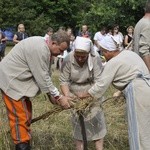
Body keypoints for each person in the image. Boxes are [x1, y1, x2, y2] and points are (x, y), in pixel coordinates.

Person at [76, 35, 150, 150]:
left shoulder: (114, 62)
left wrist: (83, 95)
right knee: (147, 127)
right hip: (147, 88)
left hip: (138, 93)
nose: (104, 55)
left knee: (138, 130)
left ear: (108, 51)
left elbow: (100, 86)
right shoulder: (129, 54)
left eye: (104, 52)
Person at [0, 31, 72, 150]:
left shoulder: (44, 46)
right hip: (11, 82)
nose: (62, 53)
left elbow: (45, 75)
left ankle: (24, 142)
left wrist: (51, 96)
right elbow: (43, 77)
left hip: (18, 83)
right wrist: (59, 97)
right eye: (61, 50)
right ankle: (22, 145)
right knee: (20, 118)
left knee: (26, 114)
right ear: (53, 43)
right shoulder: (39, 49)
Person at [60, 36, 107, 150]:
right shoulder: (68, 59)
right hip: (74, 94)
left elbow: (99, 81)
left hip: (92, 92)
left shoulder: (95, 59)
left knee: (96, 123)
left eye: (83, 57)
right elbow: (64, 81)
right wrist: (67, 96)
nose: (80, 59)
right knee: (78, 126)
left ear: (88, 54)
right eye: (78, 56)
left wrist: (87, 95)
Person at [133, 0, 150, 72]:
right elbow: (144, 51)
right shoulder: (147, 25)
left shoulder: (140, 22)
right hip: (145, 70)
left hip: (139, 67)